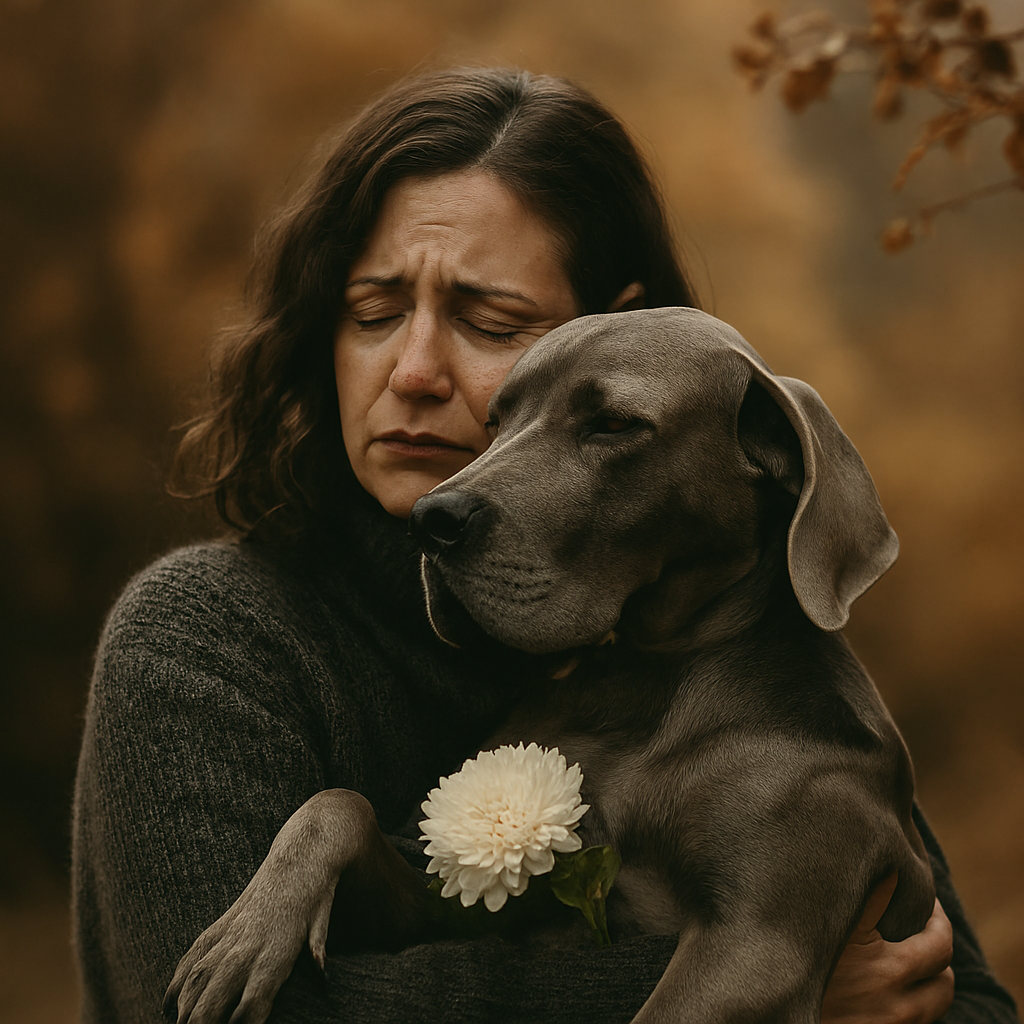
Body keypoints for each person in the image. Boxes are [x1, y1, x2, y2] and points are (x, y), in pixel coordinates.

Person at [72, 66, 1017, 1024]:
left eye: (491, 322)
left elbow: (966, 1001)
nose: (413, 371)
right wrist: (792, 995)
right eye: (373, 312)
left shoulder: (766, 689)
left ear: (610, 332)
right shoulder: (204, 641)